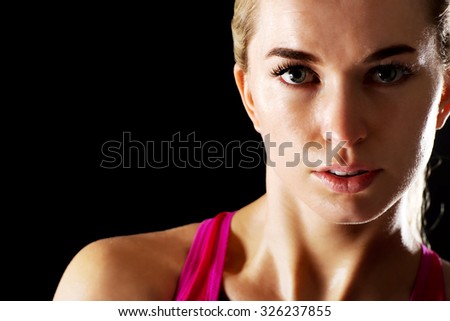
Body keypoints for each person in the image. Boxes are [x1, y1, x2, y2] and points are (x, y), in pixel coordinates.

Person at [53, 0, 450, 300]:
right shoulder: (113, 287)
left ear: (444, 95)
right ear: (250, 98)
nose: (343, 131)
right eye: (296, 74)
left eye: (387, 73)